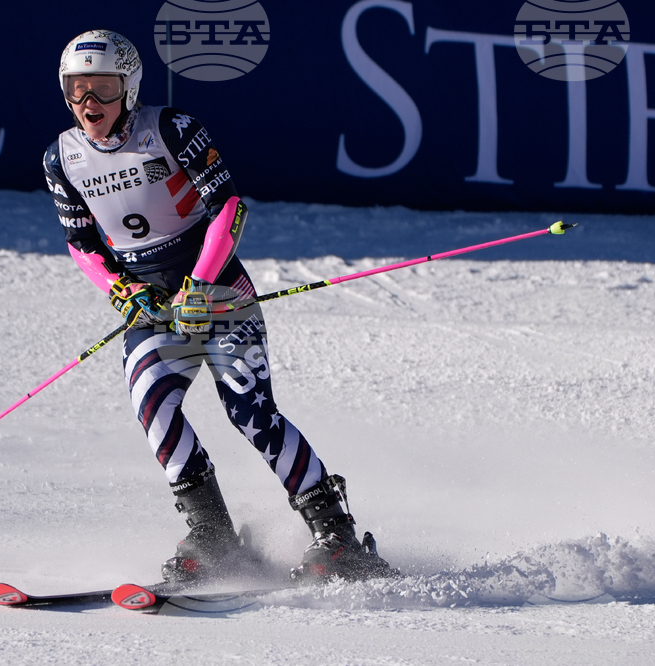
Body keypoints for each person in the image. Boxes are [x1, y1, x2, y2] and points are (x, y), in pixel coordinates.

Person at [43, 29, 393, 583]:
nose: (89, 103)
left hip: (221, 292)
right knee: (153, 406)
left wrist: (201, 285)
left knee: (249, 411)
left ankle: (337, 536)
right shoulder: (62, 157)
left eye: (103, 88)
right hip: (154, 306)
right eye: (77, 89)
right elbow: (81, 243)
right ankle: (213, 538)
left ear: (129, 88)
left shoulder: (172, 128)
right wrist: (120, 289)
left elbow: (229, 209)